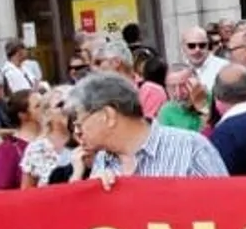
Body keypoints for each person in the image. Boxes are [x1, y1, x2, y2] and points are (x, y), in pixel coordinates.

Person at [68, 72, 228, 180]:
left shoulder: (191, 148)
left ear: (107, 116)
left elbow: (226, 206)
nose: (76, 132)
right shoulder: (102, 160)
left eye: (80, 123)